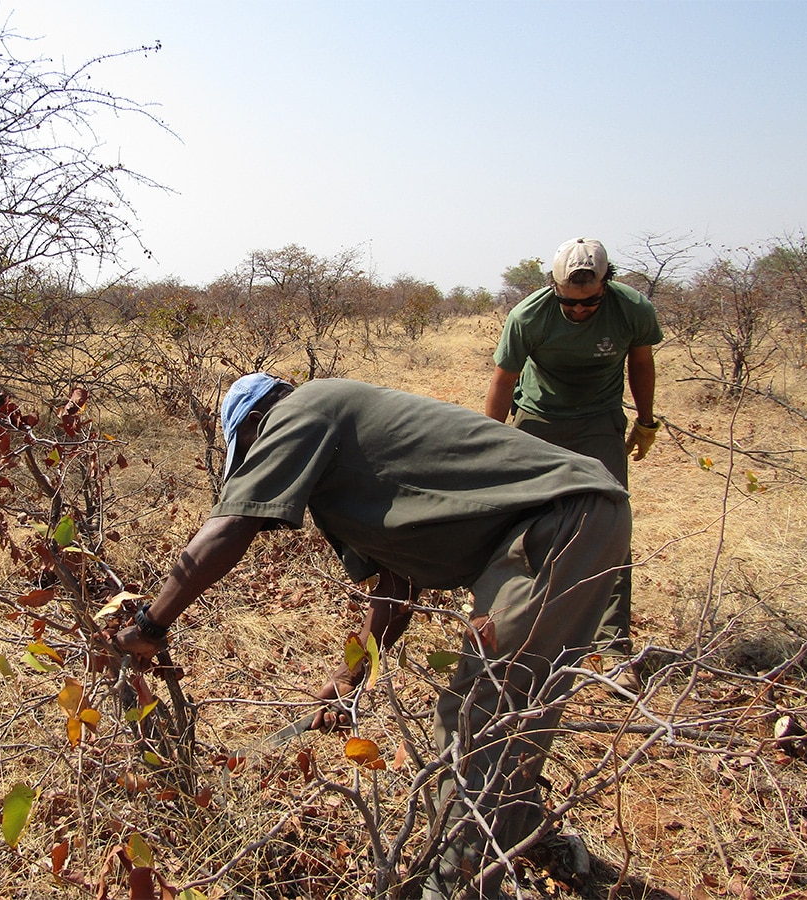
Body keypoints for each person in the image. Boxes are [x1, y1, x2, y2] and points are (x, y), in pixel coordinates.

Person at [114, 373, 631, 899]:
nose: (260, 462)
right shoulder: (345, 455)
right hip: (575, 515)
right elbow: (396, 584)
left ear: (254, 424)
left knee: (482, 711)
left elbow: (234, 523)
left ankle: (456, 887)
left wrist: (150, 625)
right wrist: (350, 675)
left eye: (251, 452)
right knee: (516, 708)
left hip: (561, 518)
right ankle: (514, 842)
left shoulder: (304, 409)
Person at [485, 238, 663, 692]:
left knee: (610, 526)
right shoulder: (529, 316)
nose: (579, 310)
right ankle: (508, 631)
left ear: (607, 283)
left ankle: (614, 647)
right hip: (537, 420)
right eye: (569, 302)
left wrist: (645, 421)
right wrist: (490, 442)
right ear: (554, 286)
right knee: (518, 526)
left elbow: (640, 365)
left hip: (598, 421)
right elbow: (503, 379)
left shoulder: (632, 309)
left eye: (590, 302)